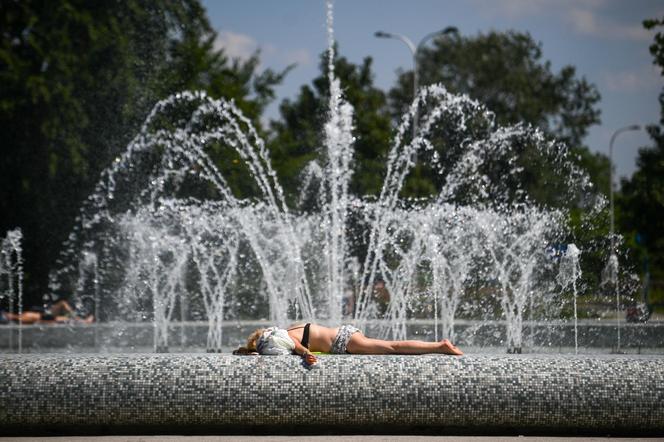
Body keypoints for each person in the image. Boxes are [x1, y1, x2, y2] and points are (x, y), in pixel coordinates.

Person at [234, 323, 463, 365]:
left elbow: (295, 345)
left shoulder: (280, 337)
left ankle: (439, 346)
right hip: (344, 335)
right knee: (390, 347)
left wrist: (305, 355)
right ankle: (439, 345)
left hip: (344, 341)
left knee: (392, 347)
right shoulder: (280, 331)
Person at [0, 299, 94, 325]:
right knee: (63, 306)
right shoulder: (23, 317)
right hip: (45, 316)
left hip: (45, 315)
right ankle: (83, 319)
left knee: (65, 314)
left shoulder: (23, 317)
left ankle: (82, 319)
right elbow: (39, 321)